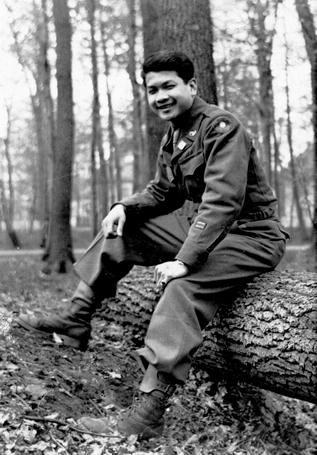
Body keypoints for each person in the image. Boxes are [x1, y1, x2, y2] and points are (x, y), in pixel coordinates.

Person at [16, 51, 289, 440]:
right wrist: (123, 206)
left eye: (168, 86)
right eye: (152, 90)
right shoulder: (174, 134)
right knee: (122, 230)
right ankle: (77, 319)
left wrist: (185, 260)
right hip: (208, 228)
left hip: (251, 235)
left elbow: (224, 201)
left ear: (191, 86)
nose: (160, 96)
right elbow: (163, 191)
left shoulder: (222, 127)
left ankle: (149, 411)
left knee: (182, 286)